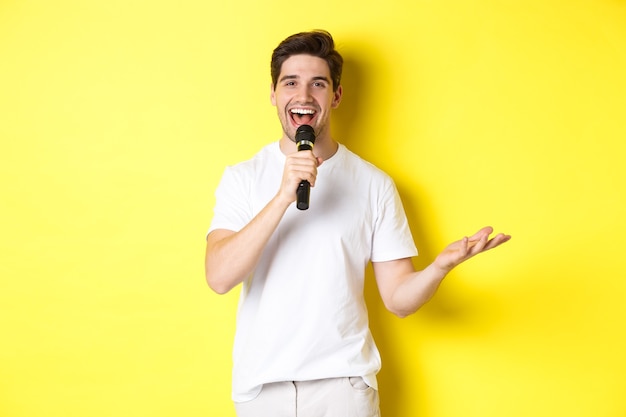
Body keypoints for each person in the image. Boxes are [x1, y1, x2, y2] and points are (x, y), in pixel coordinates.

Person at [205, 30, 511, 417]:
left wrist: (439, 268)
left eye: (318, 84)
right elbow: (218, 276)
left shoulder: (373, 184)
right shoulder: (242, 178)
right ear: (273, 94)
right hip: (263, 389)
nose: (303, 96)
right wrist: (284, 195)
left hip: (344, 388)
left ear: (335, 96)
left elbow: (398, 299)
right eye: (291, 83)